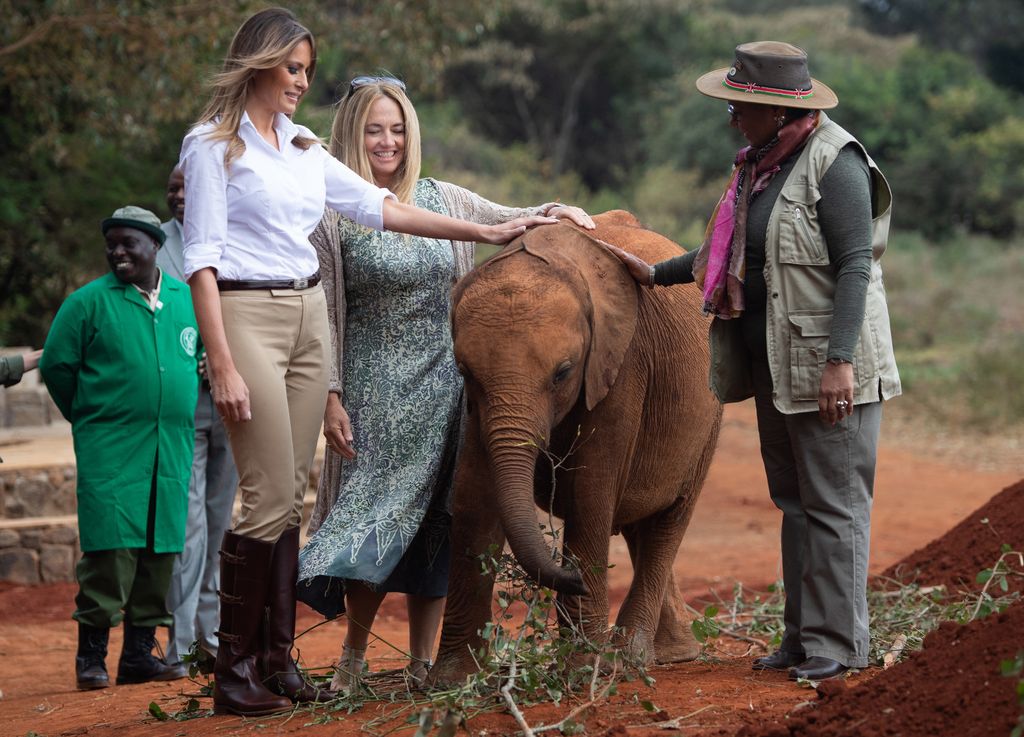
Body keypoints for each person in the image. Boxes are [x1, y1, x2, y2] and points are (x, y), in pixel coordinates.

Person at [179, 8, 556, 717]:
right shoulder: (213, 146)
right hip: (247, 312)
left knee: (291, 492)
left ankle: (274, 660)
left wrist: (486, 228)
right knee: (264, 494)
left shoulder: (300, 147)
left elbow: (382, 208)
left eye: (306, 71)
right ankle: (234, 670)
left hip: (305, 316)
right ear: (257, 62)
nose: (300, 82)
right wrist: (221, 360)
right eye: (292, 67)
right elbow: (199, 257)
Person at [606, 42, 900, 681]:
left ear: (773, 108)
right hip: (775, 360)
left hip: (828, 364)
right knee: (795, 501)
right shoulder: (759, 166)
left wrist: (840, 361)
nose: (732, 116)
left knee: (834, 504)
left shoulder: (835, 162)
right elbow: (730, 253)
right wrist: (655, 273)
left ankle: (839, 647)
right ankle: (803, 639)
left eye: (740, 105)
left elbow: (855, 266)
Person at [295, 76, 594, 693]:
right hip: (372, 392)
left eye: (398, 128)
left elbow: (508, 219)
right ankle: (352, 659)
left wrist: (556, 212)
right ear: (351, 133)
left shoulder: (444, 198)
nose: (388, 141)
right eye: (374, 129)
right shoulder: (330, 212)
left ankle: (424, 661)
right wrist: (330, 395)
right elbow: (321, 310)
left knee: (443, 523)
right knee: (371, 519)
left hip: (450, 386)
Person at [40, 206, 198, 690]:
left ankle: (137, 657)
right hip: (110, 449)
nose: (118, 251)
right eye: (112, 244)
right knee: (110, 553)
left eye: (129, 243)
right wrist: (92, 418)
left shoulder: (184, 299)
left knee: (159, 552)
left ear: (155, 246)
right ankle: (91, 659)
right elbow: (57, 368)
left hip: (168, 449)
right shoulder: (86, 303)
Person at [157, 166, 239, 674]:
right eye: (173, 189)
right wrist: (198, 359)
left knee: (219, 522)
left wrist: (228, 360)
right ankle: (180, 643)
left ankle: (211, 636)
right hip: (183, 401)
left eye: (190, 187)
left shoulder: (236, 234)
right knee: (187, 529)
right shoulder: (155, 246)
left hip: (234, 401)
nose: (182, 196)